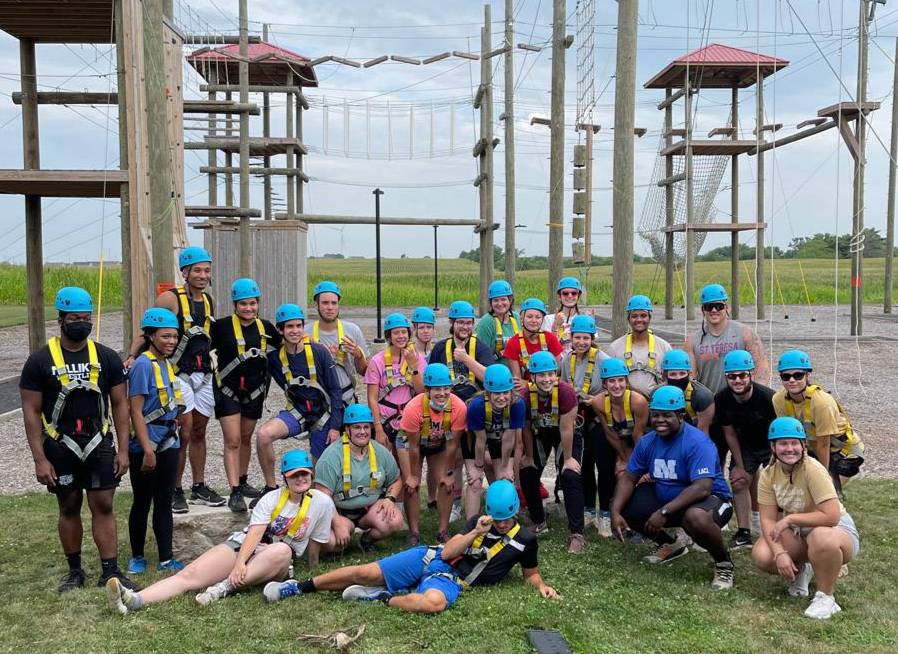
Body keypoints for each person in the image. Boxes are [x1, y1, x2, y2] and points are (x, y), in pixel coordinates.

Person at [262, 479, 559, 613]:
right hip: (431, 559)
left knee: (433, 603)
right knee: (365, 572)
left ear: (515, 512)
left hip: (452, 581)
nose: (502, 524)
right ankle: (298, 587)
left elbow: (530, 574)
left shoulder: (526, 539)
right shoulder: (478, 522)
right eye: (498, 519)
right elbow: (446, 552)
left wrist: (541, 585)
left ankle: (381, 598)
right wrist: (475, 532)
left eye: (506, 519)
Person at [105, 449, 335, 613]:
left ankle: (222, 588)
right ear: (285, 477)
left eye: (305, 473)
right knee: (189, 575)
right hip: (247, 545)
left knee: (282, 550)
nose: (301, 479)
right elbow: (254, 533)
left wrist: (312, 566)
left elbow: (316, 539)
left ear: (312, 475)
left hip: (278, 559)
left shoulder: (323, 502)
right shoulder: (271, 499)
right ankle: (136, 599)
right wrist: (239, 563)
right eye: (295, 475)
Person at [19, 287, 136, 592]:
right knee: (69, 505)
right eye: (74, 318)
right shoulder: (39, 361)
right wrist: (40, 459)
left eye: (86, 318)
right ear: (61, 319)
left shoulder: (106, 358)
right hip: (60, 446)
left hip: (99, 443)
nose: (81, 323)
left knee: (104, 504)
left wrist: (123, 449)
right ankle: (75, 571)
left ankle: (110, 571)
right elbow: (31, 411)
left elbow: (121, 405)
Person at [125, 246, 221, 513]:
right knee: (184, 431)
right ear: (185, 272)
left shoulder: (209, 300)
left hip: (203, 372)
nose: (203, 275)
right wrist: (133, 356)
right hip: (178, 374)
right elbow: (149, 330)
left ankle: (199, 485)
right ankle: (175, 488)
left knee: (200, 431)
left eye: (207, 270)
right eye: (198, 270)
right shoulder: (170, 298)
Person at [611, 385, 735, 590]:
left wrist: (663, 511)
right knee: (624, 504)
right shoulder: (648, 441)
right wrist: (614, 512)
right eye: (656, 415)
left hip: (712, 499)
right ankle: (670, 545)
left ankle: (724, 563)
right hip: (671, 499)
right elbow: (628, 478)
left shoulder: (697, 442)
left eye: (667, 415)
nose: (660, 421)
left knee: (695, 518)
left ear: (681, 416)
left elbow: (703, 487)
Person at [751, 417, 861, 619]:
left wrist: (789, 520)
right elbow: (767, 520)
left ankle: (826, 597)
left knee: (821, 538)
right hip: (800, 531)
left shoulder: (814, 469)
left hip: (836, 530)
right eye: (783, 443)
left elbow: (831, 516)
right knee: (763, 554)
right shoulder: (768, 474)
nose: (789, 449)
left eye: (795, 443)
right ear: (773, 447)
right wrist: (780, 554)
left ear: (803, 445)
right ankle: (804, 568)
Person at [254, 304, 343, 500]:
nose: (295, 331)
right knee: (263, 435)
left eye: (298, 326)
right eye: (289, 327)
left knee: (320, 472)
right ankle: (270, 487)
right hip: (298, 412)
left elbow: (336, 391)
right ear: (280, 330)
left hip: (323, 415)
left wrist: (335, 426)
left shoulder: (319, 352)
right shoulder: (275, 358)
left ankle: (317, 503)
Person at [210, 278, 280, 512]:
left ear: (258, 303)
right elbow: (199, 348)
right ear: (235, 305)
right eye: (243, 304)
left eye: (252, 304)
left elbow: (288, 348)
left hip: (255, 391)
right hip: (228, 390)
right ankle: (234, 491)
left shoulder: (266, 328)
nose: (248, 308)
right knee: (233, 440)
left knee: (246, 438)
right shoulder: (220, 327)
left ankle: (242, 478)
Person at [126, 308, 186, 576]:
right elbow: (135, 410)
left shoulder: (165, 363)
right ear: (150, 336)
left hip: (168, 440)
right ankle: (137, 556)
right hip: (146, 444)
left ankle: (165, 557)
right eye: (165, 336)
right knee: (142, 500)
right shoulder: (142, 365)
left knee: (164, 499)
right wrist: (147, 450)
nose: (171, 341)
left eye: (174, 337)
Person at [772, 350, 864, 495]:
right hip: (815, 449)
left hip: (844, 451)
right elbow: (787, 436)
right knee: (804, 489)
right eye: (786, 376)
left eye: (798, 375)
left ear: (808, 375)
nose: (791, 380)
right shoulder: (778, 400)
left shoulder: (821, 402)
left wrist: (822, 476)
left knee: (825, 493)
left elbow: (824, 444)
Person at [518, 351, 585, 553]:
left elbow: (567, 428)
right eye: (541, 375)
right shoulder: (524, 397)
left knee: (570, 475)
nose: (547, 379)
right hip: (541, 433)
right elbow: (527, 429)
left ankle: (577, 533)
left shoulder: (565, 392)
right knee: (527, 472)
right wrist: (529, 456)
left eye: (550, 374)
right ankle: (539, 520)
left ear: (555, 374)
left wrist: (568, 459)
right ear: (532, 376)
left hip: (567, 433)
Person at [313, 404, 404, 550]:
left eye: (366, 427)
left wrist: (389, 499)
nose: (362, 432)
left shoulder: (380, 451)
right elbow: (322, 496)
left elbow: (396, 480)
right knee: (332, 544)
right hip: (340, 510)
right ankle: (341, 536)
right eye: (357, 427)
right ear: (347, 429)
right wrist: (337, 522)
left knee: (395, 521)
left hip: (368, 509)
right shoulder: (331, 456)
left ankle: (366, 540)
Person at [397, 363, 466, 544]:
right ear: (427, 390)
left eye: (446, 388)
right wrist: (412, 475)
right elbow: (413, 446)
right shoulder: (413, 408)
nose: (442, 393)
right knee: (412, 485)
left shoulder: (458, 407)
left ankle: (443, 530)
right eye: (437, 389)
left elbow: (452, 444)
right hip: (410, 444)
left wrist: (449, 473)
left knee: (446, 484)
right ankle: (414, 532)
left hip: (438, 443)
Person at [715, 349, 777, 549]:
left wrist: (776, 459)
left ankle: (772, 525)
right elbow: (729, 433)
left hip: (770, 445)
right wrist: (739, 465)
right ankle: (744, 532)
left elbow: (779, 432)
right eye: (732, 376)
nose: (737, 380)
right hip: (745, 446)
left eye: (742, 375)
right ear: (726, 377)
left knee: (776, 483)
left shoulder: (769, 398)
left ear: (751, 374)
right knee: (739, 481)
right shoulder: (722, 398)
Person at [560, 315, 615, 537]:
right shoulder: (566, 360)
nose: (581, 342)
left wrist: (595, 400)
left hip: (598, 415)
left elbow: (612, 387)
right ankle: (589, 508)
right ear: (571, 338)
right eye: (577, 338)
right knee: (585, 464)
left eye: (586, 338)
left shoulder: (602, 359)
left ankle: (606, 514)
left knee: (604, 466)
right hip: (577, 417)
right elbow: (564, 387)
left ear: (592, 338)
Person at [588, 357, 649, 536]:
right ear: (605, 384)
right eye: (611, 381)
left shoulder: (638, 402)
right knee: (607, 468)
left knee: (638, 474)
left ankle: (636, 515)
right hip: (617, 439)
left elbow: (639, 436)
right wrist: (621, 458)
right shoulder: (598, 402)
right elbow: (610, 433)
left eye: (620, 380)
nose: (617, 385)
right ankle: (606, 514)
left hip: (640, 441)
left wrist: (635, 463)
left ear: (626, 381)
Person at [685, 283, 769, 394]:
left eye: (719, 306)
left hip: (741, 399)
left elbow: (762, 368)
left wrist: (754, 396)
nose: (714, 310)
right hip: (710, 402)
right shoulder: (692, 341)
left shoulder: (745, 334)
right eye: (709, 307)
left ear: (727, 307)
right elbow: (690, 378)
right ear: (703, 310)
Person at [464, 364, 526, 516]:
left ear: (511, 391)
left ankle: (506, 518)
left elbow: (509, 438)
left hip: (499, 438)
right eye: (496, 393)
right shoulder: (477, 406)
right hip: (474, 441)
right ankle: (471, 528)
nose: (501, 397)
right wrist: (478, 467)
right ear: (487, 392)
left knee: (504, 479)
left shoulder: (517, 404)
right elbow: (480, 441)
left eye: (506, 392)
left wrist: (505, 467)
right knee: (475, 482)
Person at [366, 313, 426, 452]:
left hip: (407, 419)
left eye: (404, 332)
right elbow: (372, 398)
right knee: (386, 466)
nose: (401, 336)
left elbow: (421, 391)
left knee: (406, 467)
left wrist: (414, 367)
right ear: (389, 336)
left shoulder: (416, 358)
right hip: (384, 419)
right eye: (396, 333)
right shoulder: (377, 361)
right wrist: (378, 428)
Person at [309, 280, 369, 409]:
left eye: (334, 303)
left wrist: (358, 355)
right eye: (325, 303)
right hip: (318, 402)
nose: (330, 307)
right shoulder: (305, 333)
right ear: (316, 305)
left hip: (346, 399)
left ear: (338, 305)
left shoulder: (352, 330)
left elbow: (365, 372)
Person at [604, 294, 672, 397]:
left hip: (657, 405)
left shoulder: (664, 347)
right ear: (628, 319)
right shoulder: (615, 348)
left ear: (650, 318)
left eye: (643, 316)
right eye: (634, 316)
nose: (639, 320)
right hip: (625, 405)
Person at [429, 300, 496, 402]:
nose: (465, 327)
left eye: (469, 323)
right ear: (452, 322)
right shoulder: (439, 348)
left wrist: (466, 359)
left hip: (475, 402)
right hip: (447, 401)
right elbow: (430, 381)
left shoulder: (481, 348)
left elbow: (491, 379)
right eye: (461, 322)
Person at [503, 297, 563, 391]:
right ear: (522, 318)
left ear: (543, 319)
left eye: (538, 317)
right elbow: (518, 380)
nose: (534, 320)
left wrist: (528, 383)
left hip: (550, 385)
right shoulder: (513, 343)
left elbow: (558, 370)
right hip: (526, 391)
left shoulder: (550, 338)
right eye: (529, 317)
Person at [658, 349, 714, 435]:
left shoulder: (702, 396)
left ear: (689, 373)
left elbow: (702, 431)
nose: (678, 378)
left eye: (682, 373)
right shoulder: (657, 394)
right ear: (665, 376)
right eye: (673, 374)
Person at [474, 280, 521, 367]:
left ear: (510, 300)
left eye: (503, 299)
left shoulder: (516, 317)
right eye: (495, 300)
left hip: (516, 370)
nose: (499, 304)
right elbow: (481, 354)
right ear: (491, 303)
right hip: (495, 371)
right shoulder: (486, 322)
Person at [543, 276, 585, 351]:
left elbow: (591, 345)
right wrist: (555, 326)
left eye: (574, 293)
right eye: (565, 293)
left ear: (578, 296)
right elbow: (546, 348)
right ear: (559, 296)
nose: (570, 296)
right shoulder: (549, 319)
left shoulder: (584, 319)